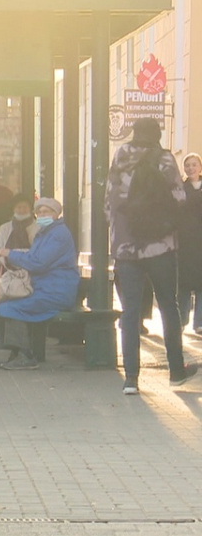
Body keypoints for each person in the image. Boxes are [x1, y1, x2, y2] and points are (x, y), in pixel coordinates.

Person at [105, 118, 196, 395]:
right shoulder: (165, 159)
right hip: (160, 246)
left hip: (126, 249)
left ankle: (131, 378)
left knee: (130, 311)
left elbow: (109, 201)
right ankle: (176, 371)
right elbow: (179, 198)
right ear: (156, 134)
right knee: (168, 305)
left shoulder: (120, 156)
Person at [0, 197, 80, 370]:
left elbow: (38, 262)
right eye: (39, 212)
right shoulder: (45, 232)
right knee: (1, 307)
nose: (42, 214)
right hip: (44, 288)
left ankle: (25, 355)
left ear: (56, 214)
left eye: (46, 211)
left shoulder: (58, 234)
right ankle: (17, 352)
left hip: (55, 291)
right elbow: (33, 258)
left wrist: (11, 254)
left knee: (11, 308)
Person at [178, 152, 202, 332]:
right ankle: (182, 319)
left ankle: (199, 322)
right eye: (188, 165)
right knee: (184, 282)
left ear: (200, 167)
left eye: (194, 165)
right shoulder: (181, 188)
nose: (191, 168)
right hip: (185, 241)